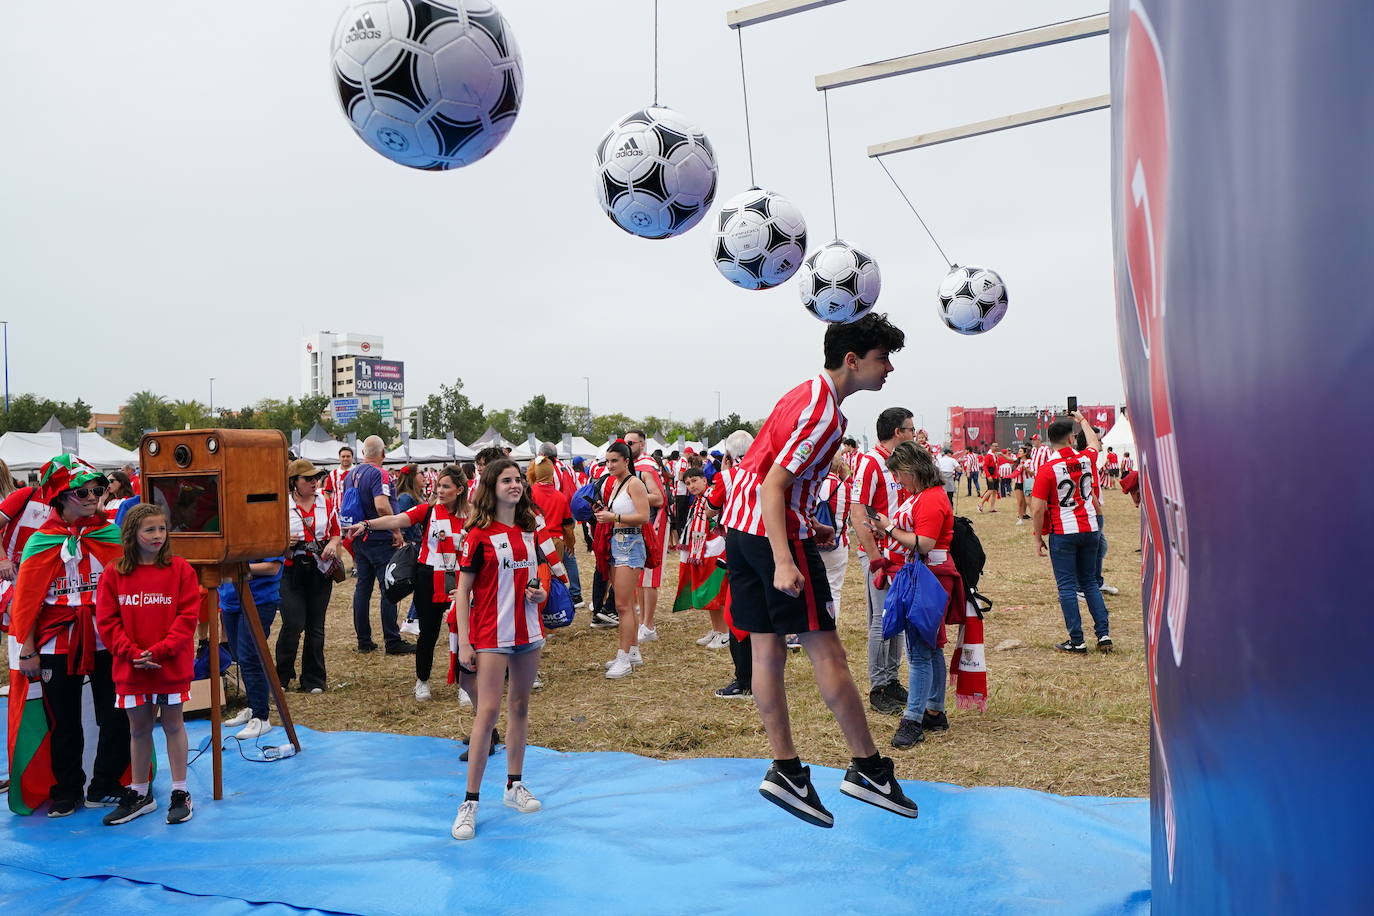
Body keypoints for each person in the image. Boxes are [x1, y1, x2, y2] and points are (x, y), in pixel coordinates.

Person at [721, 313, 918, 827]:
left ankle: (786, 768)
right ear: (852, 360)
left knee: (766, 650)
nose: (890, 368)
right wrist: (786, 558)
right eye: (882, 358)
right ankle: (869, 769)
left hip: (744, 530)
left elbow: (764, 472)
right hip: (770, 534)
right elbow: (773, 486)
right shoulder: (825, 414)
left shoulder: (805, 392)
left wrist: (810, 524)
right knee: (827, 650)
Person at [9, 455, 129, 817]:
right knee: (62, 720)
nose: (93, 496)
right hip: (56, 641)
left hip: (108, 640)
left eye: (97, 489)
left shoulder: (111, 535)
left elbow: (131, 588)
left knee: (116, 715)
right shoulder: (40, 543)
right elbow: (26, 602)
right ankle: (67, 789)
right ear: (60, 497)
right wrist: (27, 649)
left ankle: (105, 784)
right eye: (82, 491)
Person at [449, 459, 555, 841]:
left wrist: (541, 594)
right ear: (491, 487)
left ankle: (513, 785)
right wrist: (464, 640)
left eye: (518, 480)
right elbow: (463, 590)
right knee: (488, 711)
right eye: (507, 480)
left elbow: (535, 581)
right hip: (491, 633)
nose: (515, 485)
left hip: (528, 630)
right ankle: (470, 802)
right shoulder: (477, 534)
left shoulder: (530, 530)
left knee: (521, 706)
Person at [94, 503, 200, 825]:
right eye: (149, 529)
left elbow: (187, 617)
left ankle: (180, 791)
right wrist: (131, 653)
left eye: (162, 529)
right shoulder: (115, 573)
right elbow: (107, 620)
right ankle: (140, 793)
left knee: (173, 725)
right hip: (132, 668)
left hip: (169, 667)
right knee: (138, 729)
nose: (157, 535)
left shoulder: (181, 569)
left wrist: (161, 651)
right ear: (132, 534)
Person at [348, 464, 470, 702]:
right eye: (438, 486)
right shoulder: (427, 510)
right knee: (429, 633)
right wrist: (367, 524)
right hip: (428, 577)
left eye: (446, 487)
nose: (440, 491)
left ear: (460, 489)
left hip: (460, 579)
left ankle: (464, 682)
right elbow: (396, 519)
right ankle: (422, 680)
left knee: (463, 632)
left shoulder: (472, 515)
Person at [871, 444, 963, 749]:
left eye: (899, 472)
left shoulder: (931, 498)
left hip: (928, 577)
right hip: (926, 576)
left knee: (920, 651)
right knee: (929, 647)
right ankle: (933, 709)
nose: (897, 479)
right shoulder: (925, 496)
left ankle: (914, 718)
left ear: (912, 469)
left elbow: (923, 543)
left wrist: (889, 527)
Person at [850, 406, 915, 716]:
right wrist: (873, 556)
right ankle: (878, 686)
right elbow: (858, 510)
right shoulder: (870, 462)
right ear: (897, 432)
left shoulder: (902, 463)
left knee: (898, 618)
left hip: (901, 552)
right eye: (910, 429)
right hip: (879, 554)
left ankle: (891, 680)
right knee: (881, 619)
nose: (914, 434)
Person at [1031, 414, 1111, 654]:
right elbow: (1094, 444)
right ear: (1070, 437)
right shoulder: (1087, 458)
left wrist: (1037, 536)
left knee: (1066, 586)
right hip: (1090, 528)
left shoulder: (1047, 469)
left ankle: (1077, 640)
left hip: (1063, 531)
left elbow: (1037, 508)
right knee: (1089, 582)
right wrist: (1082, 419)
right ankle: (1104, 634)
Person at [275, 458, 341, 695]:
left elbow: (336, 532)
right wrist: (282, 542)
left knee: (316, 625)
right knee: (293, 623)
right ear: (294, 482)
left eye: (316, 478)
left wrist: (333, 544)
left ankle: (313, 679)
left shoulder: (326, 501)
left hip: (319, 568)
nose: (315, 482)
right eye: (308, 479)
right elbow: (270, 539)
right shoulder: (281, 505)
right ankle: (281, 675)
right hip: (291, 569)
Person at [346, 436, 414, 655]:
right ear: (383, 453)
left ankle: (363, 640)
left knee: (362, 589)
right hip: (379, 537)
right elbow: (382, 506)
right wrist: (396, 530)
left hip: (359, 537)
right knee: (389, 588)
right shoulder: (379, 474)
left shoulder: (351, 473)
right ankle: (392, 640)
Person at [593, 441, 652, 678]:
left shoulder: (634, 483)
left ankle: (624, 657)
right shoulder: (617, 483)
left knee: (623, 606)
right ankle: (632, 652)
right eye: (607, 461)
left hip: (630, 544)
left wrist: (613, 515)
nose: (610, 465)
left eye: (614, 460)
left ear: (626, 461)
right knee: (625, 603)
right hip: (620, 543)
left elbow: (644, 517)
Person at [710, 430, 754, 699]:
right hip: (767, 548)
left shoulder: (727, 477)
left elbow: (711, 509)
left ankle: (744, 680)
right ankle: (760, 677)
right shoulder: (765, 473)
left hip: (739, 549)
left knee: (736, 616)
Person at [675, 467, 728, 645]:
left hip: (716, 549)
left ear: (705, 480)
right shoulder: (697, 502)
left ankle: (725, 632)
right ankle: (716, 629)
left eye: (694, 481)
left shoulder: (713, 497)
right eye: (688, 483)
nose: (691, 486)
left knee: (717, 592)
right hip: (703, 550)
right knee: (708, 593)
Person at [624, 431, 668, 642]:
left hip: (654, 525)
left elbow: (659, 498)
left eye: (631, 442)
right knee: (641, 576)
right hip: (641, 525)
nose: (627, 445)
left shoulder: (646, 467)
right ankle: (643, 621)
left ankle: (648, 625)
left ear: (641, 444)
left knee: (649, 577)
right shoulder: (633, 467)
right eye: (625, 442)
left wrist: (633, 495)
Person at [814, 454, 852, 622]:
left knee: (812, 589)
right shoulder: (846, 488)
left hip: (813, 543)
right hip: (838, 543)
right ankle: (831, 627)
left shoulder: (812, 485)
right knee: (834, 590)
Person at [979, 445, 1002, 512]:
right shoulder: (988, 456)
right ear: (991, 447)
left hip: (995, 475)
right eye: (995, 446)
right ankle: (980, 504)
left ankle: (992, 508)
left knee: (994, 492)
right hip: (990, 475)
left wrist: (998, 475)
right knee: (990, 490)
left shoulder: (995, 455)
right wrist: (988, 475)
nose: (996, 447)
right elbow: (985, 466)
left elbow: (996, 466)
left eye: (997, 446)